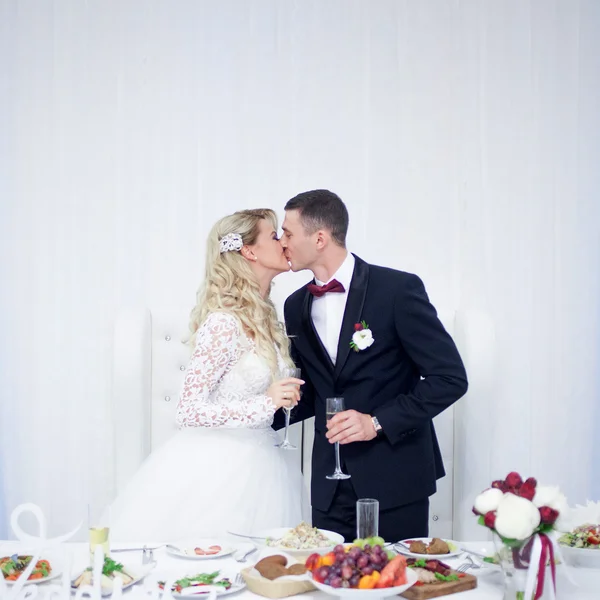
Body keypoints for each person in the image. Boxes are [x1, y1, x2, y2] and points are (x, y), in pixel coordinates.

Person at [274, 190, 468, 543]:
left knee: (398, 585)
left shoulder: (396, 289)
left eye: (287, 233)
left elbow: (449, 378)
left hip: (395, 478)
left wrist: (376, 422)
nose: (281, 242)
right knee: (331, 586)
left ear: (319, 238)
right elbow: (312, 390)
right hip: (329, 486)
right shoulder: (295, 305)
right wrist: (250, 414)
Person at [110, 209, 305, 542]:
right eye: (274, 236)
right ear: (249, 250)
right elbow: (188, 410)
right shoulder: (223, 323)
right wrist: (265, 403)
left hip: (265, 463)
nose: (283, 242)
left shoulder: (268, 318)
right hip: (220, 471)